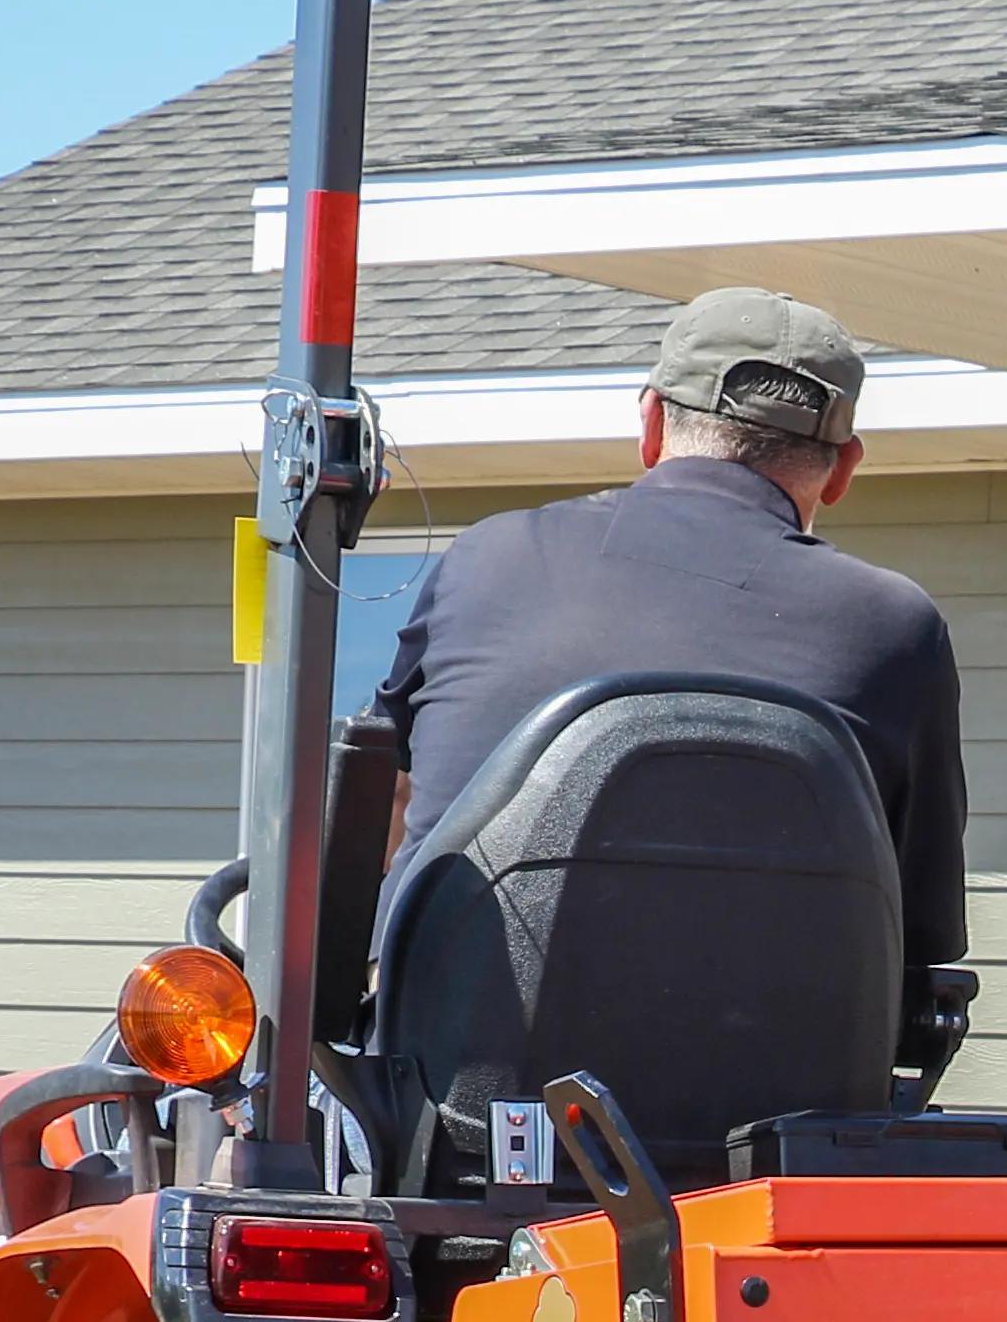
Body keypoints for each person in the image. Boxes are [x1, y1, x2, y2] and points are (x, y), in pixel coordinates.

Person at [365, 285, 966, 1022]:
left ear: (651, 421)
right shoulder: (890, 625)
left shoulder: (488, 556)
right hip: (770, 1114)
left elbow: (377, 791)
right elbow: (917, 928)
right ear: (842, 470)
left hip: (452, 1100)